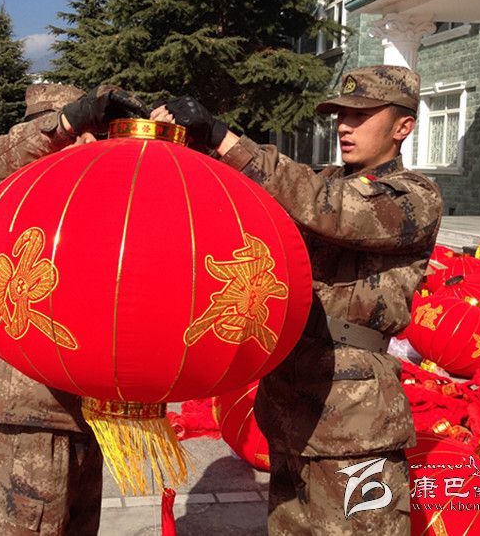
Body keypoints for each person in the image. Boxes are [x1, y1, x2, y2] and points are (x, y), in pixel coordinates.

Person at [154, 65, 443, 535]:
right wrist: (192, 150)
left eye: (361, 115)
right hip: (290, 406)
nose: (345, 126)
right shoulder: (322, 180)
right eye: (341, 115)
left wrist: (225, 137)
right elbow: (252, 204)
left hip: (354, 417)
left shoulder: (412, 197)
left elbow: (328, 208)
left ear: (402, 126)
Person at [0, 82, 144, 536]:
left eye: (91, 133)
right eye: (75, 131)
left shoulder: (94, 197)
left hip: (91, 401)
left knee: (80, 524)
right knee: (29, 527)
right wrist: (62, 126)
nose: (85, 142)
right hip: (34, 408)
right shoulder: (13, 189)